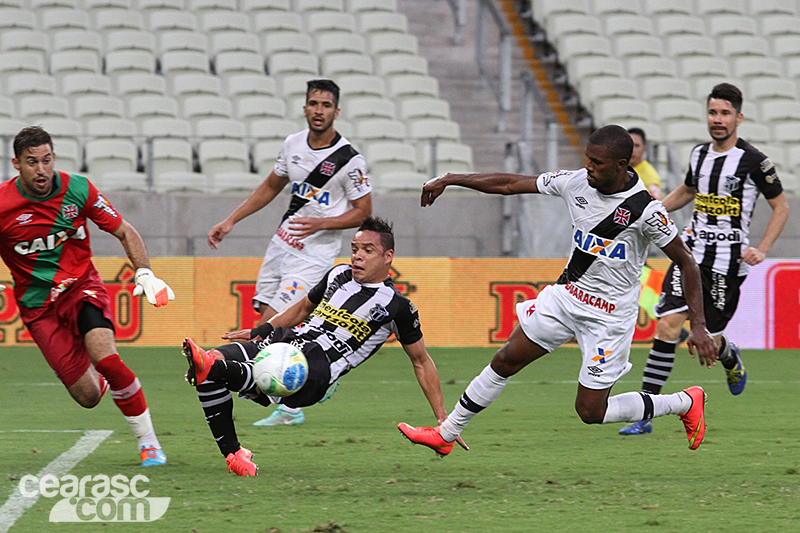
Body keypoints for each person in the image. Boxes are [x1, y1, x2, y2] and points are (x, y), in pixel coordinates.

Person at [397, 124, 718, 457]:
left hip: (608, 319)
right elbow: (509, 184)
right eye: (587, 159)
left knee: (590, 411)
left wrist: (697, 326)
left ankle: (683, 401)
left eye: (597, 162)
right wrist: (451, 178)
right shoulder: (576, 182)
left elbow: (687, 263)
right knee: (507, 359)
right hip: (567, 298)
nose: (589, 167)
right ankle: (446, 433)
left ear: (622, 166)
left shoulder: (648, 212)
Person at [183, 217, 466, 476]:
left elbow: (421, 361)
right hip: (286, 344)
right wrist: (263, 330)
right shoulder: (338, 274)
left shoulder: (397, 306)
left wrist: (444, 420)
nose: (357, 255)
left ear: (387, 257)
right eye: (354, 248)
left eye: (368, 250)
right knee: (211, 361)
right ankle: (234, 453)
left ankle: (211, 367)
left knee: (211, 367)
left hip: (317, 370)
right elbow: (303, 307)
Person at [620, 83, 789, 436]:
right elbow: (686, 191)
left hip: (727, 264)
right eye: (713, 112)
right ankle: (646, 412)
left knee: (707, 338)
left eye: (725, 113)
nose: (718, 119)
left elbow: (780, 206)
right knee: (667, 325)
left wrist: (763, 248)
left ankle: (730, 355)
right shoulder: (699, 154)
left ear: (739, 118)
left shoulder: (754, 161)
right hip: (691, 253)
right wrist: (650, 212)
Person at [0, 126, 175, 466]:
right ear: (16, 164)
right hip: (38, 308)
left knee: (107, 359)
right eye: (32, 162)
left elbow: (124, 230)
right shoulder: (3, 204)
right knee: (88, 396)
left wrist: (144, 272)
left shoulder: (77, 189)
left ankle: (149, 443)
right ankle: (107, 385)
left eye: (47, 160)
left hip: (82, 288)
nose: (41, 169)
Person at [207, 79, 372, 428]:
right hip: (281, 245)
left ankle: (291, 403)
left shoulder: (349, 160)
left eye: (326, 105)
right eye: (313, 103)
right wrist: (231, 220)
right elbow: (270, 186)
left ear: (336, 112)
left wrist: (322, 224)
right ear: (305, 107)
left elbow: (363, 212)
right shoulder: (292, 145)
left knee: (272, 325)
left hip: (313, 256)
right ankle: (290, 388)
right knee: (267, 321)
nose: (319, 110)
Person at [628, 127, 662, 199]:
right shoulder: (618, 168)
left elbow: (654, 201)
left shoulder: (650, 176)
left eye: (637, 146)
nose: (632, 150)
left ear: (644, 148)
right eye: (629, 144)